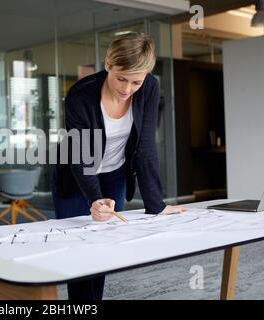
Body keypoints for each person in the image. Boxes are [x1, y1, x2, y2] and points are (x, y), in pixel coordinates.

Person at [51, 32, 187, 300]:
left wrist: (156, 205)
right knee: (79, 252)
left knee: (102, 249)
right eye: (121, 78)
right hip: (77, 177)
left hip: (115, 174)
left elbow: (145, 146)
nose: (126, 89)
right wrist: (94, 199)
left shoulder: (149, 88)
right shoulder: (81, 95)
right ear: (108, 65)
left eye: (135, 81)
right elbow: (81, 156)